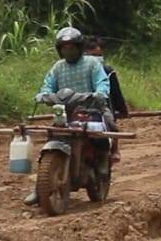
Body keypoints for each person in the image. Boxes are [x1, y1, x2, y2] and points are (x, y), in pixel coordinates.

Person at [23, 27, 112, 206]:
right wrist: (43, 95)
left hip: (90, 110)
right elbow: (47, 86)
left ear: (79, 47)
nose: (68, 51)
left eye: (71, 47)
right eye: (64, 48)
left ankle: (102, 160)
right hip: (65, 112)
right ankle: (41, 185)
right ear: (59, 50)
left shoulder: (92, 64)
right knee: (53, 133)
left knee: (98, 132)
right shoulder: (57, 67)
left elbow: (102, 83)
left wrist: (99, 94)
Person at [84, 35, 127, 164]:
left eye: (98, 56)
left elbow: (115, 93)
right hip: (78, 106)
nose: (96, 60)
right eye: (92, 56)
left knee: (110, 121)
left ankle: (114, 148)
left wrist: (122, 109)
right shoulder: (75, 69)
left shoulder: (106, 70)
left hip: (101, 107)